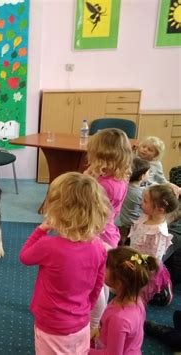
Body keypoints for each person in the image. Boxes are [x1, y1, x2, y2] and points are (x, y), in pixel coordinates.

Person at [20, 172, 111, 354]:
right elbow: (98, 284)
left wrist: (41, 230)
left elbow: (25, 256)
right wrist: (87, 309)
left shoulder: (49, 245)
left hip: (51, 325)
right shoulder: (98, 246)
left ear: (57, 211)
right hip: (81, 322)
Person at [84, 128, 133, 334]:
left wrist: (87, 181)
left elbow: (88, 209)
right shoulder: (116, 179)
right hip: (109, 233)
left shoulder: (103, 185)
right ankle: (96, 320)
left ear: (102, 156)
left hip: (98, 236)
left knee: (96, 285)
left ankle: (95, 325)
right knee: (102, 280)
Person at [90, 246, 158, 354]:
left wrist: (84, 350)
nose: (102, 267)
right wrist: (97, 331)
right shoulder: (136, 300)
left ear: (118, 282)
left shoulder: (119, 319)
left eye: (106, 266)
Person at [128, 184, 178, 306]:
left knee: (139, 292)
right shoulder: (147, 215)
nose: (141, 203)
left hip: (145, 267)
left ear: (159, 210)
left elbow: (154, 259)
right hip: (135, 257)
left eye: (145, 201)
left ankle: (162, 291)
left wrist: (137, 265)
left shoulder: (158, 233)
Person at [117, 157, 151, 245]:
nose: (150, 174)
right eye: (148, 172)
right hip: (133, 224)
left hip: (122, 220)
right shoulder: (142, 193)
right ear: (142, 177)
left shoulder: (123, 185)